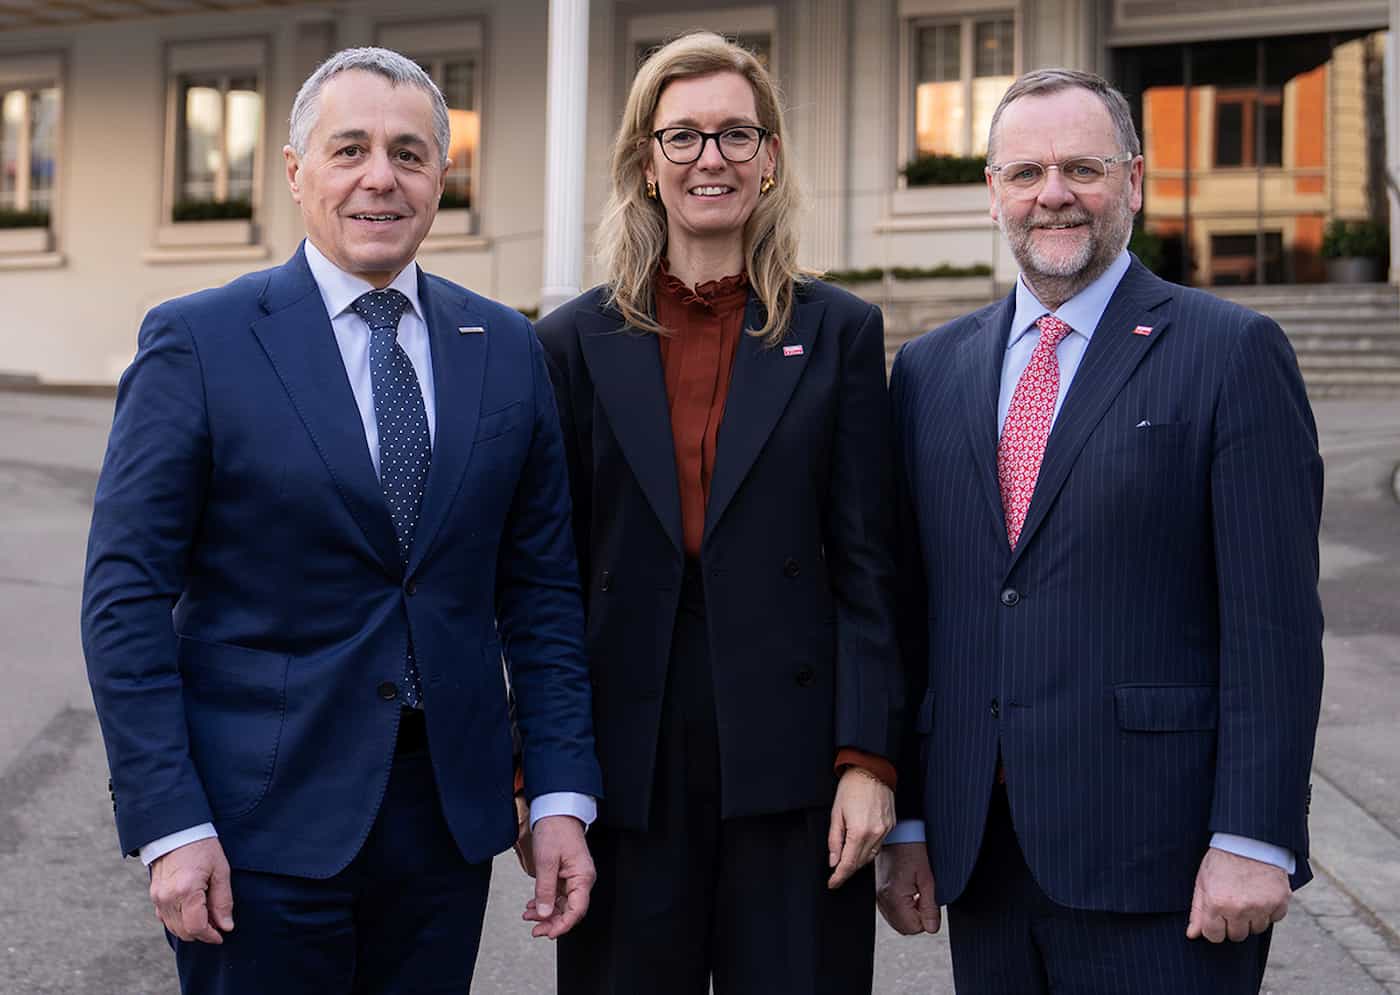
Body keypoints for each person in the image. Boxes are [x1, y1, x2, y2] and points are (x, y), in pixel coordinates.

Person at [80, 47, 601, 995]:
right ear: (295, 171)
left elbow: (541, 593)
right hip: (255, 827)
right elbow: (125, 598)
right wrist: (170, 822)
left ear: (442, 176)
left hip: (444, 824)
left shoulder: (505, 347)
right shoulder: (199, 340)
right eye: (349, 148)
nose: (380, 177)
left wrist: (560, 790)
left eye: (408, 153)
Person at [877, 68, 1324, 994]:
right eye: (1026, 171)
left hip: (1163, 861)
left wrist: (1254, 835)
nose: (1054, 193)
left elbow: (1273, 623)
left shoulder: (1232, 352)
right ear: (993, 191)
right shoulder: (927, 370)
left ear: (1135, 180)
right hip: (984, 857)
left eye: (1083, 167)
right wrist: (910, 820)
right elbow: (915, 615)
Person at [534, 31, 902, 995]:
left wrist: (869, 759)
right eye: (684, 136)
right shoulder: (570, 342)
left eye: (737, 134)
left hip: (796, 760)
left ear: (769, 157)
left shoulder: (839, 331)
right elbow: (546, 582)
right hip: (627, 761)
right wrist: (549, 776)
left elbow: (869, 568)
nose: (712, 158)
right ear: (646, 162)